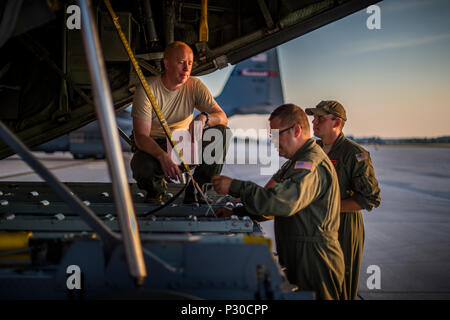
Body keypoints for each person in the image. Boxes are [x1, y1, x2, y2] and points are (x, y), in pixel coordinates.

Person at [212, 104, 345, 300]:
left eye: (275, 135)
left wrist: (236, 186)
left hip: (316, 261)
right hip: (302, 257)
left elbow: (281, 203)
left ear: (296, 130)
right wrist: (237, 213)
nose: (272, 142)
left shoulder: (310, 164)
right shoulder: (295, 163)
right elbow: (273, 205)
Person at [130, 41, 229, 203]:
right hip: (156, 149)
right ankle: (156, 192)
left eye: (189, 63)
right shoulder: (147, 89)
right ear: (167, 64)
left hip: (184, 145)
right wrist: (162, 156)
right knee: (141, 166)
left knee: (221, 133)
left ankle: (197, 190)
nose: (186, 69)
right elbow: (141, 136)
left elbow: (222, 118)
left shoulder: (194, 85)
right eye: (181, 62)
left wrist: (204, 117)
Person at [306, 100, 381, 300]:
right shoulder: (312, 150)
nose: (314, 122)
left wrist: (328, 208)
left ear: (336, 122)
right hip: (316, 226)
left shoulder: (355, 154)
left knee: (341, 288)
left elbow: (370, 198)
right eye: (314, 117)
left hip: (344, 228)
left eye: (320, 117)